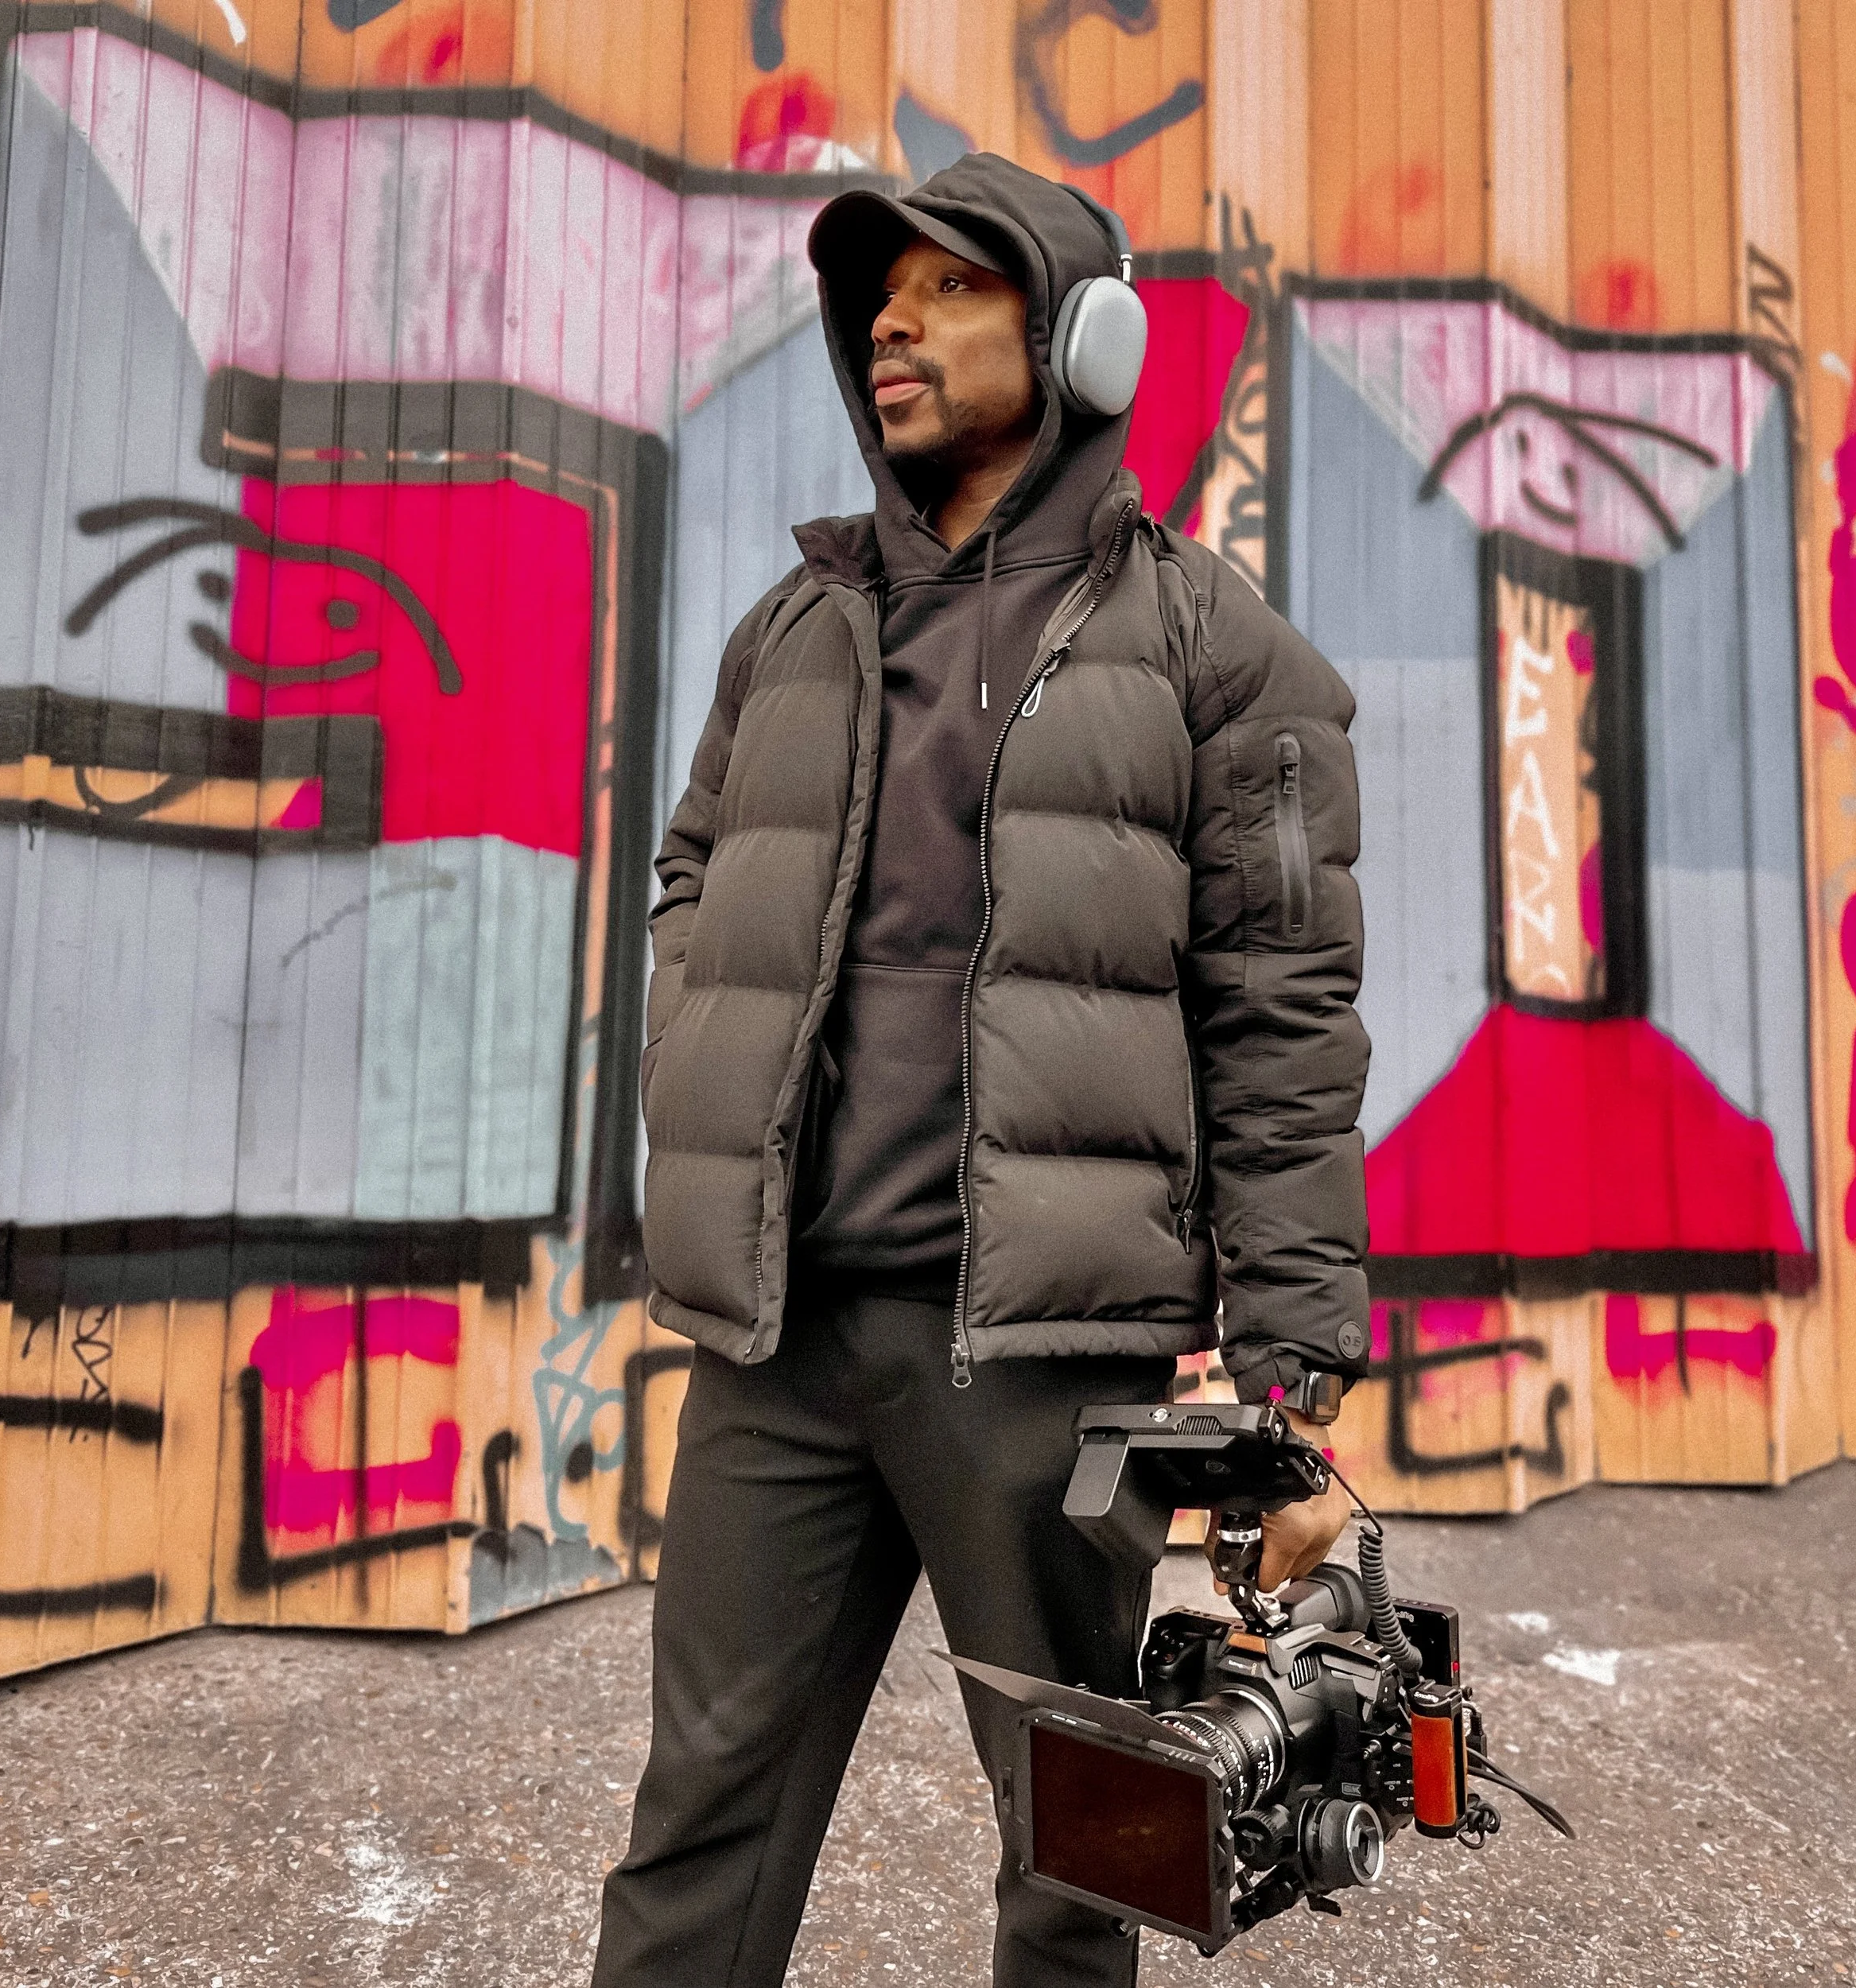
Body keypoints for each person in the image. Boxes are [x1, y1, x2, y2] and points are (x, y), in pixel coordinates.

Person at [593, 153, 1371, 1988]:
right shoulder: (794, 629)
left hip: (1030, 1363)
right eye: (880, 294)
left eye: (949, 289)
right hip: (780, 1346)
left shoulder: (1213, 649)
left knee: (1078, 1847)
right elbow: (693, 876)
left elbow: (1284, 999)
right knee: (698, 1810)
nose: (890, 322)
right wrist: (697, 1065)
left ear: (1083, 338)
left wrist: (1290, 1356)